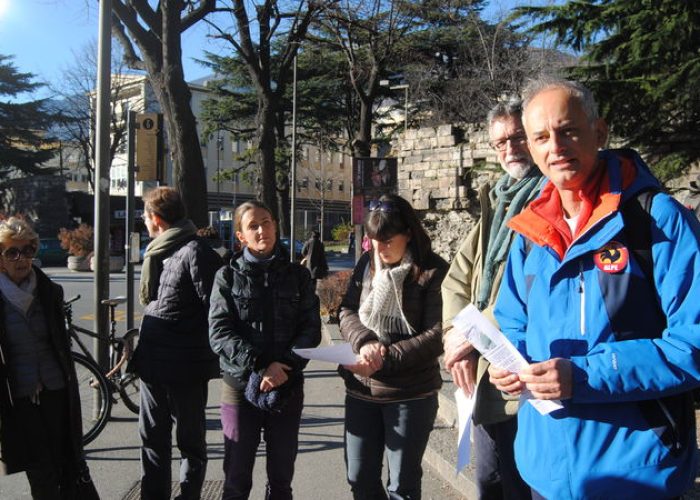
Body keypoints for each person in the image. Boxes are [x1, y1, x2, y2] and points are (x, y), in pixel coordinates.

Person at [488, 77, 700, 499]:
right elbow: (511, 321)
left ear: (599, 132)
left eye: (568, 131)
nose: (556, 147)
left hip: (638, 472)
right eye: (542, 137)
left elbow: (692, 344)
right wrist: (506, 364)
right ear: (530, 148)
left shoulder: (657, 221)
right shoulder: (530, 233)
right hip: (544, 470)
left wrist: (582, 375)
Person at [441, 99, 542, 500]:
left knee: (520, 484)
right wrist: (455, 336)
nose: (509, 149)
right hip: (481, 367)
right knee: (490, 480)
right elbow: (457, 279)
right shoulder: (498, 201)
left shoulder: (548, 198)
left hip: (521, 366)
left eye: (517, 137)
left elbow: (528, 289)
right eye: (500, 142)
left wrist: (472, 336)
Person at [338, 194, 448, 499]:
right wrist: (365, 341)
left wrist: (385, 358)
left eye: (387, 239)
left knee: (402, 486)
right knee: (359, 479)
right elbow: (346, 309)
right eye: (374, 239)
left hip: (411, 394)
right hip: (362, 389)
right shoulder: (366, 265)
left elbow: (437, 333)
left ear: (408, 233)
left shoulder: (433, 271)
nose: (379, 247)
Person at [208, 200, 321, 500]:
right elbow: (219, 333)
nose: (262, 230)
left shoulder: (298, 276)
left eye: (267, 222)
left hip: (287, 386)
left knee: (282, 479)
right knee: (236, 478)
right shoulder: (227, 278)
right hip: (240, 387)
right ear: (241, 236)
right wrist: (260, 365)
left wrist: (283, 367)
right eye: (253, 226)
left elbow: (311, 330)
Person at [133, 187, 223, 500]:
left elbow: (215, 308)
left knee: (190, 442)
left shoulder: (195, 250)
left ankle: (189, 495)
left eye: (145, 216)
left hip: (186, 366)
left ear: (156, 219)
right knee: (153, 440)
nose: (143, 222)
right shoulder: (159, 251)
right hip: (153, 365)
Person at [0, 216, 97, 499]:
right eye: (12, 252)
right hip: (19, 398)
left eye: (28, 251)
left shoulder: (49, 292)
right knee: (40, 472)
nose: (21, 259)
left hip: (57, 391)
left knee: (67, 465)